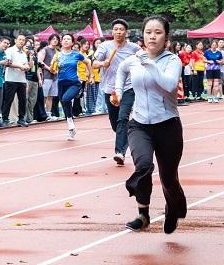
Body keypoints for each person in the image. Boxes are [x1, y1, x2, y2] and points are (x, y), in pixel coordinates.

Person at [114, 16, 186, 234]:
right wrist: (118, 91)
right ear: (143, 35)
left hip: (168, 125)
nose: (152, 36)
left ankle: (173, 208)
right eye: (148, 32)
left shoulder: (172, 61)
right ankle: (143, 214)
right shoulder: (134, 60)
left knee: (168, 178)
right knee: (143, 166)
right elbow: (121, 70)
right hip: (139, 124)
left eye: (158, 32)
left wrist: (149, 63)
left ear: (166, 37)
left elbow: (169, 85)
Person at [93, 19, 140, 165]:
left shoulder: (134, 48)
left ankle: (120, 152)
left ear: (126, 32)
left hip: (128, 88)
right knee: (116, 124)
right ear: (112, 31)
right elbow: (94, 63)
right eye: (116, 29)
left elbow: (146, 60)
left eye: (121, 29)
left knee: (122, 117)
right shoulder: (104, 46)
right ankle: (130, 131)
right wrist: (103, 63)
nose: (118, 32)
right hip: (110, 89)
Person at [55, 33, 93, 140]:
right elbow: (54, 68)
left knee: (66, 99)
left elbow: (88, 62)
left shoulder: (76, 54)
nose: (66, 40)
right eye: (64, 39)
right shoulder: (58, 55)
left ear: (72, 43)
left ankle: (71, 124)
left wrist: (91, 75)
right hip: (61, 83)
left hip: (74, 83)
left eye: (68, 39)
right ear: (61, 42)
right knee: (65, 104)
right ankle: (71, 128)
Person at [2, 34, 29, 127]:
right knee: (8, 100)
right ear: (15, 40)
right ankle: (5, 119)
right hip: (11, 79)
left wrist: (26, 66)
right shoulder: (10, 50)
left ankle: (21, 119)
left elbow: (26, 64)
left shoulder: (24, 53)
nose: (21, 41)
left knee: (22, 100)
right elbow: (7, 63)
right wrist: (20, 66)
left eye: (23, 40)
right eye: (20, 39)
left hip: (22, 79)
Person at [40, 34, 61, 120]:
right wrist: (49, 69)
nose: (55, 41)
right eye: (53, 39)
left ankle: (48, 114)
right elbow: (40, 62)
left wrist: (56, 70)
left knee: (51, 96)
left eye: (57, 39)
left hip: (54, 77)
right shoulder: (45, 50)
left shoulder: (57, 52)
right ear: (49, 40)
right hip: (46, 76)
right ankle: (42, 114)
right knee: (44, 96)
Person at [24, 37, 41, 124]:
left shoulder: (34, 55)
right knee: (25, 98)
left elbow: (36, 68)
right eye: (27, 46)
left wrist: (39, 79)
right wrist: (29, 56)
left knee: (32, 100)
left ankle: (30, 118)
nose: (29, 48)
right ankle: (25, 118)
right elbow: (29, 67)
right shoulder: (23, 55)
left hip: (35, 79)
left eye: (30, 46)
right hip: (27, 78)